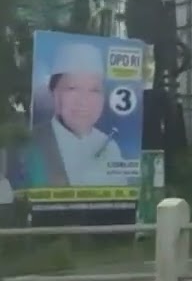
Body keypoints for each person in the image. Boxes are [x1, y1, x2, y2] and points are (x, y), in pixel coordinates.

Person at [20, 42, 125, 189]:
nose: (84, 101)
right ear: (54, 93)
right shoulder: (31, 143)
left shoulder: (110, 147)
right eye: (72, 88)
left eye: (94, 90)